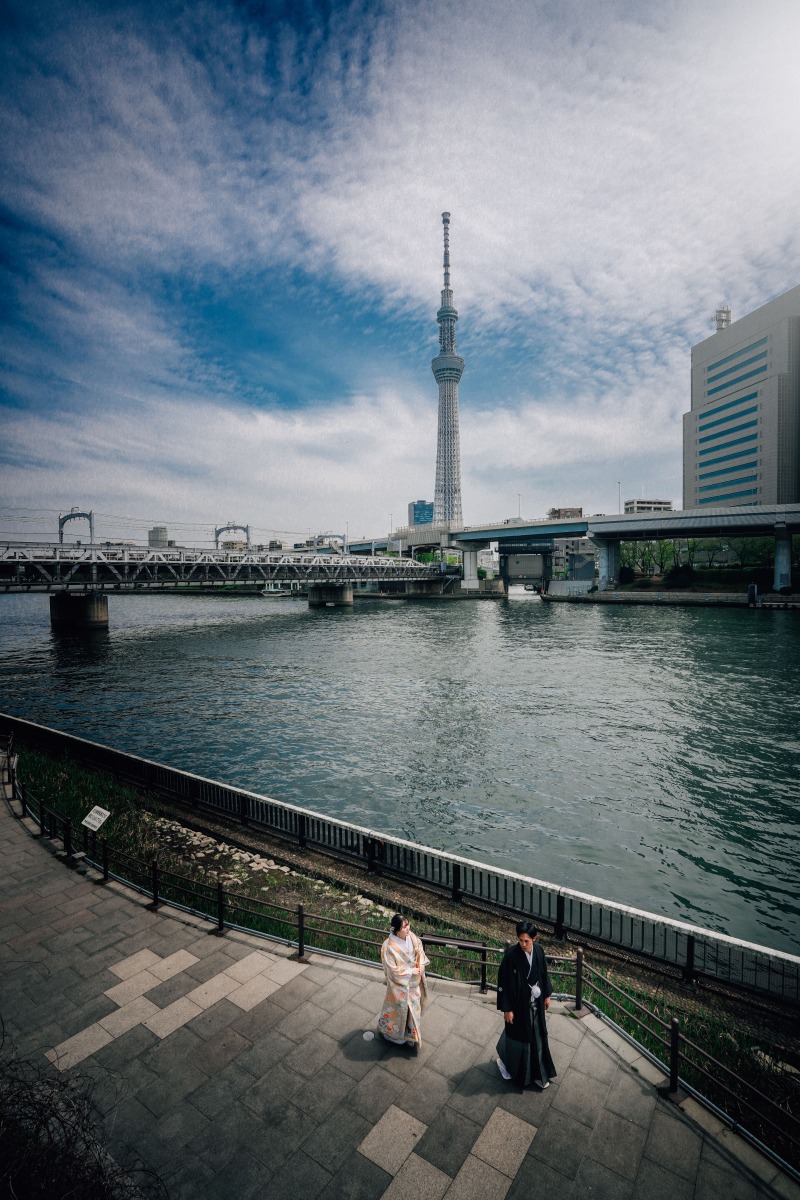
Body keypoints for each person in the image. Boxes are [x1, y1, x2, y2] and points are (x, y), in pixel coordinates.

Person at [495, 920, 556, 1088]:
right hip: (518, 1005)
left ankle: (539, 1073)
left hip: (535, 1001)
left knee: (538, 1036)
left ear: (534, 938)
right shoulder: (511, 956)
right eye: (520, 940)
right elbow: (504, 983)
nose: (522, 944)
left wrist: (547, 995)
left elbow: (544, 973)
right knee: (518, 1038)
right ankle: (511, 1067)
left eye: (526, 941)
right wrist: (507, 1009)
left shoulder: (539, 951)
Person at [377, 913, 430, 1049]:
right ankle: (395, 1036)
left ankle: (410, 1035)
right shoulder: (389, 947)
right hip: (399, 986)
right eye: (404, 927)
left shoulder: (412, 937)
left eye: (408, 925)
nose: (408, 928)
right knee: (400, 1010)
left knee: (413, 1011)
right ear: (396, 929)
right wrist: (410, 971)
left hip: (414, 982)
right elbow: (392, 970)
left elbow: (420, 950)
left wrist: (422, 964)